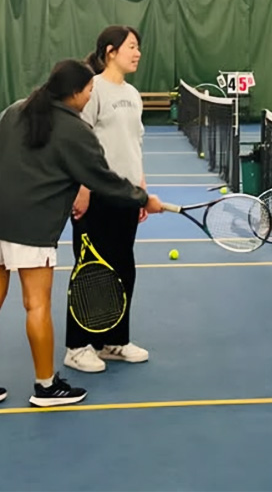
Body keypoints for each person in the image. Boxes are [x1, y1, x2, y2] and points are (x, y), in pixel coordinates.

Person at [0, 60, 163, 406]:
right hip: (32, 226)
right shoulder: (74, 130)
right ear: (74, 92)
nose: (92, 96)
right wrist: (145, 199)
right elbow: (102, 178)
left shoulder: (14, 111)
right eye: (89, 90)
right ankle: (46, 388)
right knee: (36, 305)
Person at [64, 25, 151, 373]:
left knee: (122, 270)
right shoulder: (93, 89)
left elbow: (136, 144)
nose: (138, 52)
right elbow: (79, 141)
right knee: (91, 272)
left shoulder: (132, 94)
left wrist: (141, 189)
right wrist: (83, 189)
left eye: (139, 47)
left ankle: (113, 340)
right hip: (95, 196)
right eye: (132, 46)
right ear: (110, 51)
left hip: (125, 197)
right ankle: (77, 346)